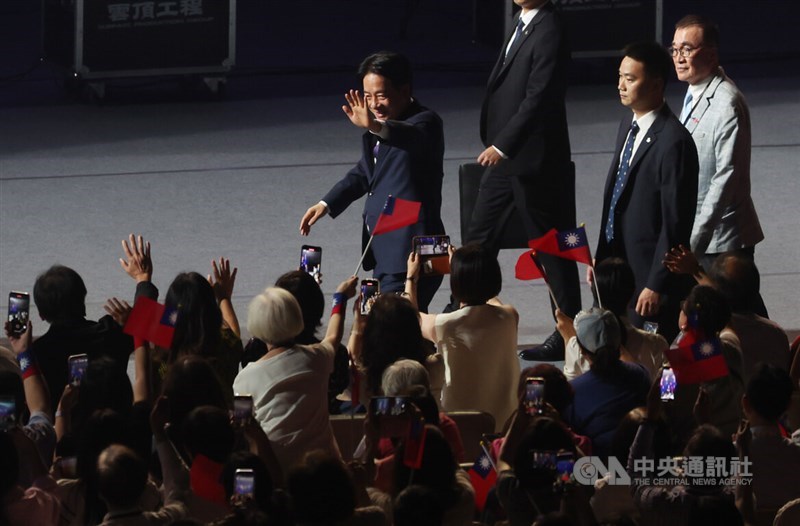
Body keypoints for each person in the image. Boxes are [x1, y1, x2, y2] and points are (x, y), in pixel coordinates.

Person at [468, 0, 580, 361]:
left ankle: (569, 331)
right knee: (478, 238)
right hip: (506, 159)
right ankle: (465, 317)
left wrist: (504, 144)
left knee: (552, 247)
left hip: (535, 161)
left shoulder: (550, 27)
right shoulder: (522, 20)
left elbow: (541, 95)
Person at [299, 51, 445, 312]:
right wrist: (327, 203)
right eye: (368, 97)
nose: (374, 104)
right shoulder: (379, 126)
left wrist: (376, 127)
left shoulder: (425, 123)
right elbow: (366, 172)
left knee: (391, 328)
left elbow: (406, 137)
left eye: (381, 95)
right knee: (396, 329)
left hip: (414, 250)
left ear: (405, 90)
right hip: (387, 250)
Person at [594, 40, 699, 344]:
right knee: (615, 350)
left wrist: (657, 283)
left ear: (655, 85)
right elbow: (617, 195)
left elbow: (675, 223)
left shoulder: (674, 142)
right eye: (620, 77)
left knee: (654, 360)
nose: (621, 85)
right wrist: (603, 260)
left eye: (630, 79)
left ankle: (665, 395)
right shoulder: (629, 122)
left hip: (647, 280)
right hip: (617, 267)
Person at [233, 276, 357, 474]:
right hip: (324, 470)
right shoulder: (318, 357)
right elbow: (334, 335)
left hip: (278, 472)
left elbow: (243, 430)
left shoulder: (244, 379)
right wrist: (340, 298)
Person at [670, 15, 764, 274]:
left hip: (722, 242)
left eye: (687, 49)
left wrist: (695, 242)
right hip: (701, 236)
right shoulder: (694, 90)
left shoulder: (726, 103)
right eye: (675, 49)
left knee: (740, 312)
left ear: (711, 56)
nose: (679, 57)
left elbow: (725, 178)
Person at [407, 244, 519, 429]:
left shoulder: (444, 324)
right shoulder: (510, 316)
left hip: (460, 424)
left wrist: (411, 277)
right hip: (506, 424)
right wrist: (468, 272)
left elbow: (412, 316)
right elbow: (489, 298)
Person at [562, 308, 650, 459]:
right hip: (643, 460)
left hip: (598, 468)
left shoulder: (572, 390)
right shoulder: (641, 374)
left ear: (581, 350)